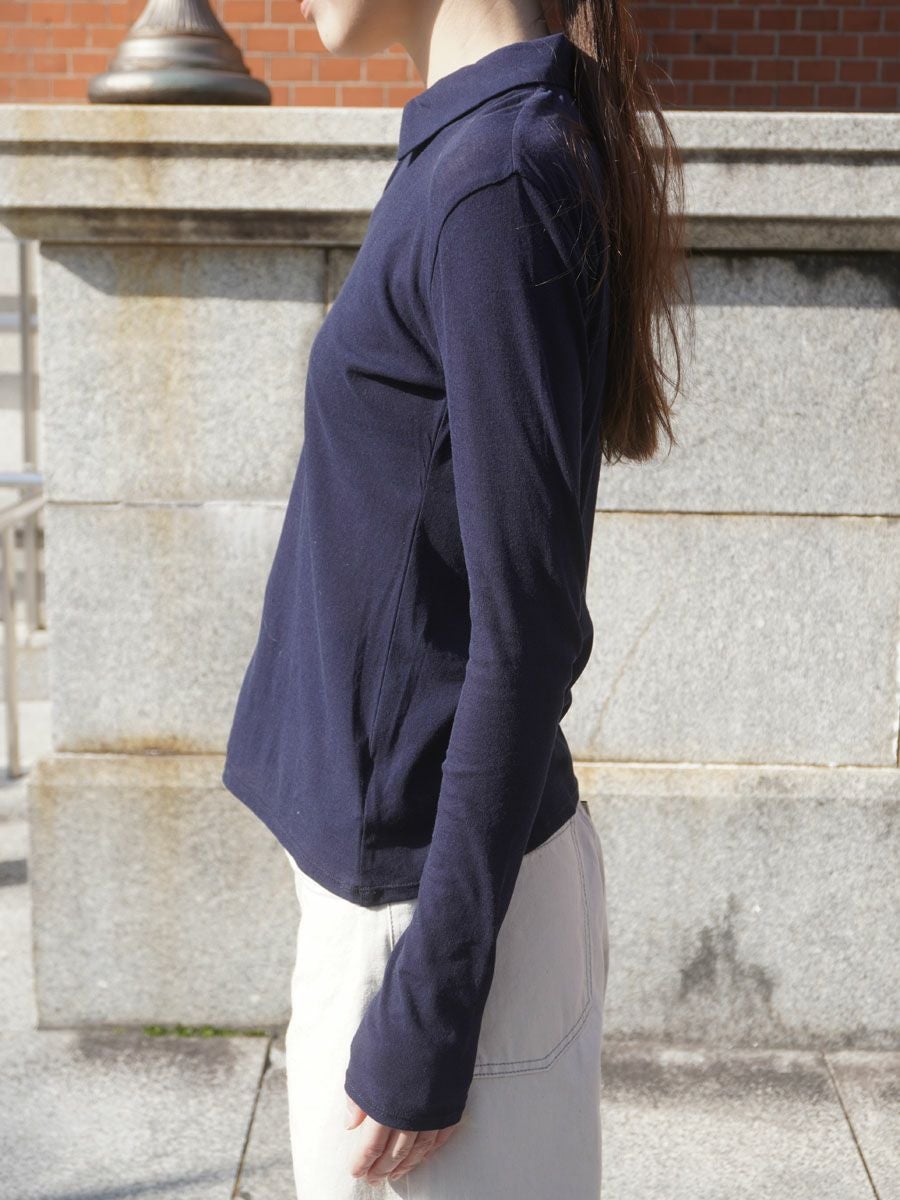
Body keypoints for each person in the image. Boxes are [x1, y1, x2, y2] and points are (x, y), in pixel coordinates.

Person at [221, 0, 691, 1195]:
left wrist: (432, 1002)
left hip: (428, 921)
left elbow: (526, 634)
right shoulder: (477, 156)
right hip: (415, 903)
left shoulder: (495, 181)